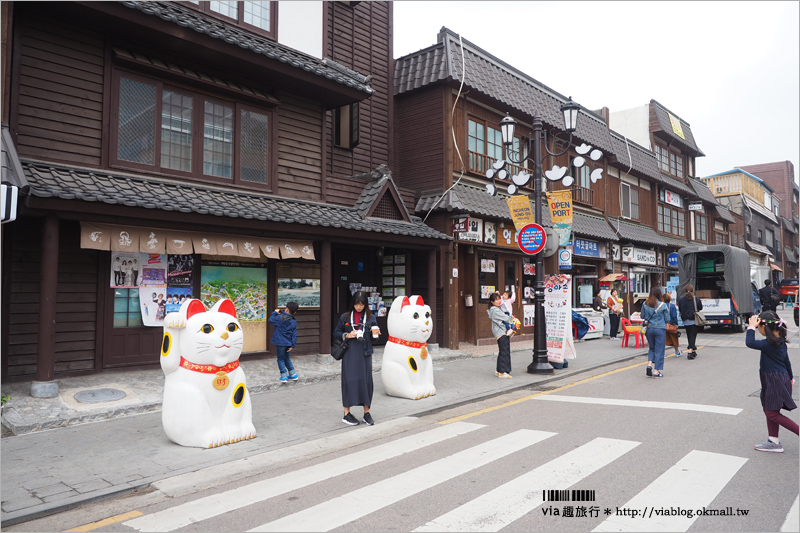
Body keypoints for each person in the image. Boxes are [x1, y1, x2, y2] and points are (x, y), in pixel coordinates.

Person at [746, 311, 797, 452]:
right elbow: (787, 362)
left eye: (758, 327)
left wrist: (751, 327)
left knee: (772, 413)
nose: (758, 329)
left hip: (775, 380)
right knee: (769, 409)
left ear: (764, 327)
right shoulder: (779, 341)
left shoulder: (769, 344)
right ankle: (774, 441)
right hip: (777, 379)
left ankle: (777, 441)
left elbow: (749, 342)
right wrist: (791, 378)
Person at [333, 291, 379, 426]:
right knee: (349, 380)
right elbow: (336, 332)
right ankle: (346, 413)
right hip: (349, 353)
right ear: (352, 304)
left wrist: (375, 334)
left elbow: (374, 339)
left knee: (366, 381)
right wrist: (347, 335)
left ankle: (367, 412)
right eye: (356, 304)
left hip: (365, 353)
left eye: (361, 304)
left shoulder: (371, 318)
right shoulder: (345, 317)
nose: (359, 307)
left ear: (365, 305)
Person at [641, 286, 670, 378]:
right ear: (659, 294)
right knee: (659, 350)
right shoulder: (663, 305)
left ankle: (649, 365)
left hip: (649, 329)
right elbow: (667, 318)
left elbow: (642, 316)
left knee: (652, 348)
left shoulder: (645, 304)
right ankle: (656, 371)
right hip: (660, 329)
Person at [269, 302, 299, 383]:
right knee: (286, 358)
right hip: (288, 343)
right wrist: (292, 345)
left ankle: (284, 375)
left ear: (286, 309)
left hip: (280, 343)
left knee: (280, 359)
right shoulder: (293, 322)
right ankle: (293, 374)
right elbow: (294, 335)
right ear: (294, 312)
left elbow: (271, 320)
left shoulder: (279, 318)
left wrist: (274, 312)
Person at [487, 292, 513, 378]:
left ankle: (499, 370)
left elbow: (505, 310)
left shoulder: (497, 308)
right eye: (496, 300)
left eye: (499, 299)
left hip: (502, 332)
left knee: (503, 351)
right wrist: (513, 320)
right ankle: (502, 372)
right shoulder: (495, 310)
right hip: (501, 332)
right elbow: (506, 318)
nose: (498, 301)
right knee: (504, 352)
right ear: (492, 301)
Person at [678, 284, 703, 359]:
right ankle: (690, 351)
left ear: (685, 291)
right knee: (693, 335)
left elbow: (680, 309)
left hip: (685, 320)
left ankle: (692, 350)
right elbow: (700, 307)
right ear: (693, 290)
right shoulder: (696, 299)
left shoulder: (681, 299)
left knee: (689, 335)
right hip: (693, 319)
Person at [662, 293, 682, 358]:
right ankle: (677, 352)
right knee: (674, 339)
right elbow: (674, 316)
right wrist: (676, 324)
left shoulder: (660, 305)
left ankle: (663, 354)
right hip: (671, 324)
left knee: (663, 340)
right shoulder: (672, 306)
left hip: (662, 325)